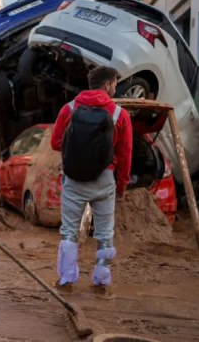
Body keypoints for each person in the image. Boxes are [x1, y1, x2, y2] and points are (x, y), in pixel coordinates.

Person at [51, 66, 132, 295]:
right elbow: (125, 155)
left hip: (74, 178)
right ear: (106, 85)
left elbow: (55, 142)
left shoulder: (69, 108)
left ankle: (66, 280)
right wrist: (122, 184)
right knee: (105, 234)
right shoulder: (120, 114)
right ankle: (101, 283)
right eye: (115, 84)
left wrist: (75, 152)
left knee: (69, 231)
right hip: (104, 179)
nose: (116, 88)